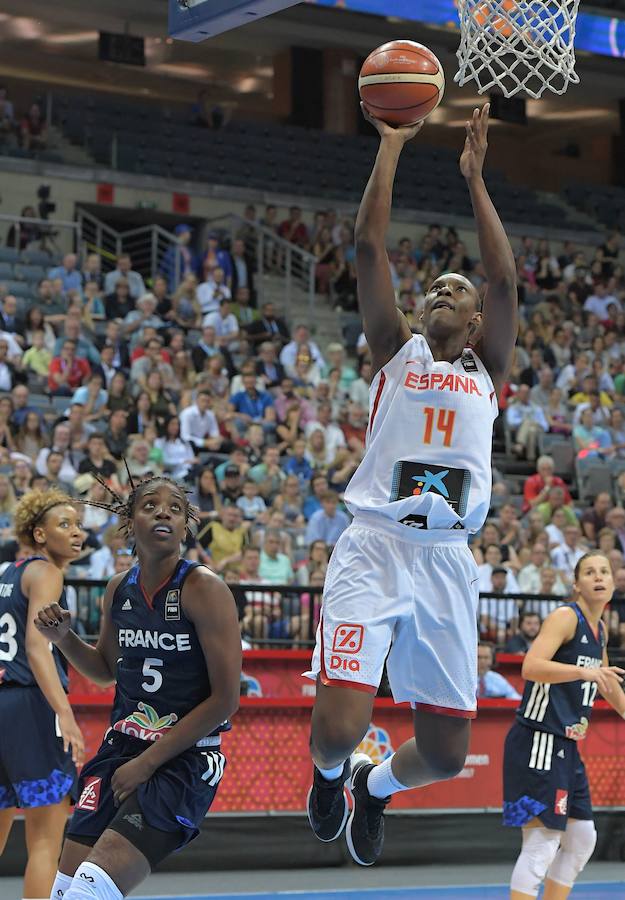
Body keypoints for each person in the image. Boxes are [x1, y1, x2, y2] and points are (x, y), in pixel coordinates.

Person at [305, 103, 518, 866]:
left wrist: (473, 178)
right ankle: (332, 773)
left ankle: (373, 788)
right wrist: (391, 145)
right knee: (333, 728)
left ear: (473, 318)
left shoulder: (487, 371)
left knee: (444, 751)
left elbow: (503, 277)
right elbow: (366, 247)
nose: (442, 292)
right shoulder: (397, 351)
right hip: (375, 548)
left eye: (455, 292)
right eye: (433, 286)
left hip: (446, 562)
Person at [34, 475, 241, 900]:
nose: (163, 512)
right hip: (120, 752)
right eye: (150, 505)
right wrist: (64, 640)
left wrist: (147, 763)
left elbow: (225, 700)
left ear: (185, 527)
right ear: (130, 520)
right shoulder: (118, 589)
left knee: (89, 892)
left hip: (182, 761)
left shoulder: (204, 588)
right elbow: (106, 669)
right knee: (63, 891)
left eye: (175, 509)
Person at [503, 554, 625, 900]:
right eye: (589, 572)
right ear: (576, 585)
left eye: (604, 572)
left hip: (566, 746)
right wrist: (583, 672)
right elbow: (531, 666)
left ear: (613, 584)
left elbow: (607, 683)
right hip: (537, 739)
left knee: (582, 838)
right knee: (542, 842)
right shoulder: (564, 617)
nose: (598, 577)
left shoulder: (599, 629)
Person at [0, 489, 85, 899]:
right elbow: (37, 649)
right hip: (31, 707)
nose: (76, 533)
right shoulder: (47, 573)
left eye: (78, 525)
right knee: (45, 843)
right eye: (64, 524)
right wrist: (65, 714)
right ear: (38, 533)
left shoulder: (3, 573)